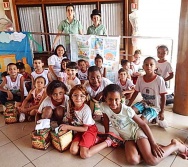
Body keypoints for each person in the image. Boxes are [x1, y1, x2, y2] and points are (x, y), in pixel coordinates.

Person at [101, 84, 188, 165]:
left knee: (152, 160)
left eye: (116, 99)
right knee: (133, 160)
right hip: (127, 138)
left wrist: (153, 143)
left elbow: (143, 125)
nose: (113, 103)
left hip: (137, 132)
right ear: (105, 98)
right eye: (110, 99)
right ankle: (151, 149)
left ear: (121, 98)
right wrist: (107, 133)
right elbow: (105, 119)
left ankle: (175, 145)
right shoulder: (104, 107)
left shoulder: (127, 110)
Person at [59, 85, 122, 159]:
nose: (78, 98)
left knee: (84, 154)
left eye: (82, 96)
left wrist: (68, 127)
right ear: (71, 97)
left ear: (85, 98)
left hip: (89, 129)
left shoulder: (86, 109)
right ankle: (96, 139)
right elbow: (70, 120)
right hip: (79, 130)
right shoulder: (69, 105)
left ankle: (108, 141)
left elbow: (85, 129)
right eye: (75, 95)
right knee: (73, 151)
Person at [127, 57, 167, 128]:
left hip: (154, 107)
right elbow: (136, 92)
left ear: (155, 67)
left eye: (151, 64)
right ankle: (151, 117)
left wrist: (162, 112)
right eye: (146, 64)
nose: (149, 66)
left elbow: (163, 96)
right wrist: (129, 105)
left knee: (141, 122)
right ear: (143, 67)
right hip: (143, 103)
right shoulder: (140, 78)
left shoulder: (159, 80)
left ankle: (155, 116)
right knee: (129, 112)